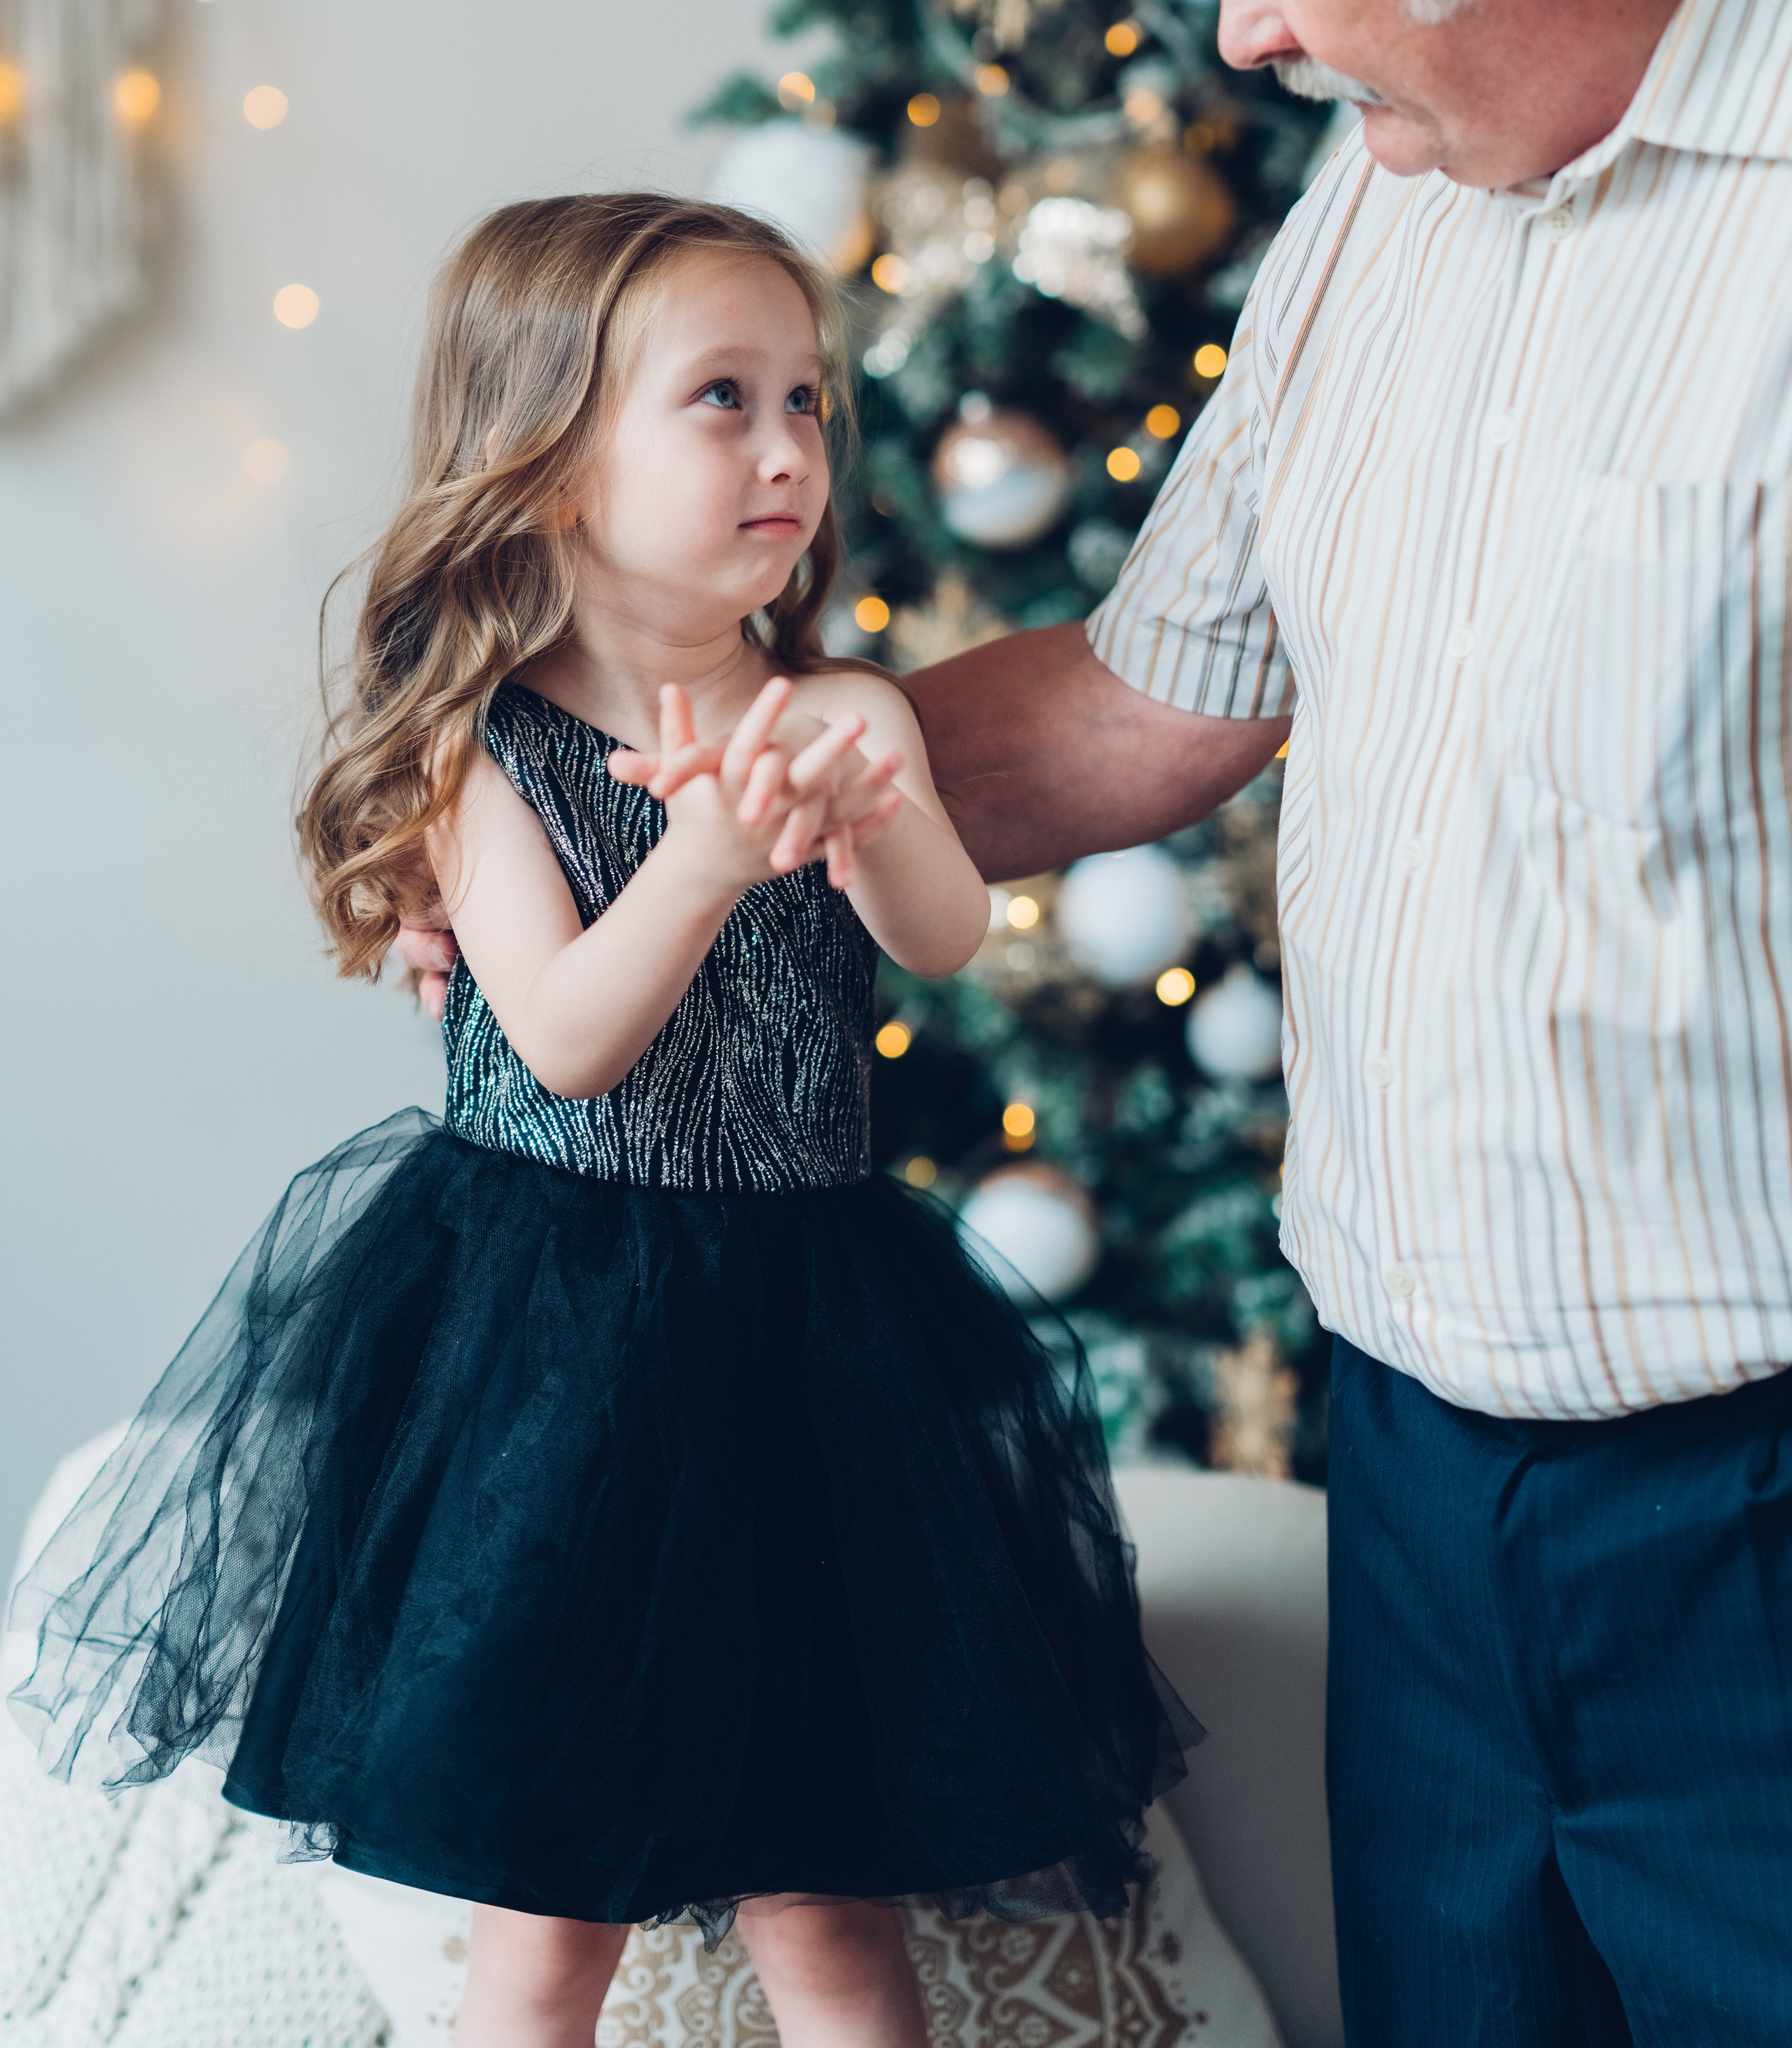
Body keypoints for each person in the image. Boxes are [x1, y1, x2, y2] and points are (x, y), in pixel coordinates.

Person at [405, 0, 1792, 2046]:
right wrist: (618, 821)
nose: (1242, 31)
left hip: (1756, 1510)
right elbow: (1154, 701)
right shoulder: (1390, 202)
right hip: (1425, 1489)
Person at [7, 193, 1195, 2048]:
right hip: (561, 1352)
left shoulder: (840, 700)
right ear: (549, 464)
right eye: (722, 400)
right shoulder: (482, 748)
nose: (789, 447)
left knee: (830, 1906)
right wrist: (707, 859)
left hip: (809, 1335)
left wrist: (871, 800)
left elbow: (944, 937)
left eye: (807, 402)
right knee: (542, 1924)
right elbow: (562, 1040)